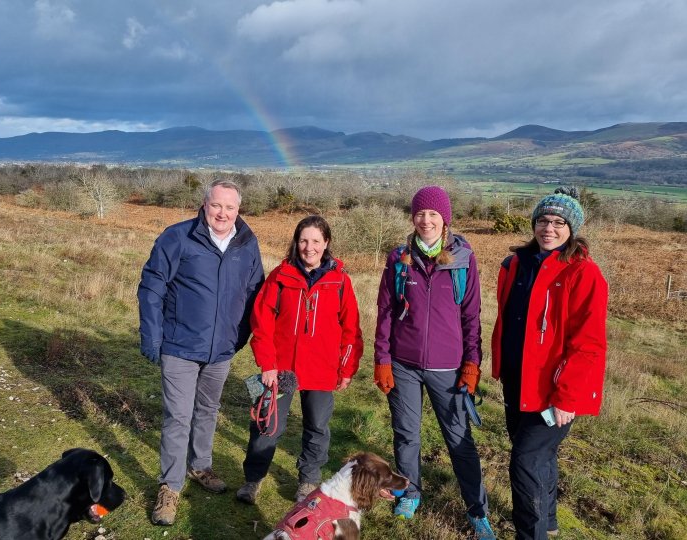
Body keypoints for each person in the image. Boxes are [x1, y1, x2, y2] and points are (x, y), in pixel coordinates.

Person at [137, 178, 265, 526]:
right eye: (216, 205)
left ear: (239, 209)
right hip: (179, 346)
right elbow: (151, 288)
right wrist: (152, 337)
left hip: (221, 350)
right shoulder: (177, 237)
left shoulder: (246, 243)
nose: (222, 213)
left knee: (208, 410)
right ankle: (170, 487)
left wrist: (239, 339)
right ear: (205, 204)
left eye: (230, 207)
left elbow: (255, 294)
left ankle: (200, 467)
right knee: (178, 417)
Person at [373, 185, 496, 539]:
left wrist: (472, 365)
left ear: (445, 219)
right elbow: (385, 312)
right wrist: (382, 358)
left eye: (433, 215)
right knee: (406, 436)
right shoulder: (399, 258)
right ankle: (410, 494)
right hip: (403, 365)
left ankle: (477, 509)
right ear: (412, 217)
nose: (426, 220)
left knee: (460, 440)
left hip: (449, 368)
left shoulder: (463, 259)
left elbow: (472, 317)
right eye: (420, 214)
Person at [491, 187, 607, 540]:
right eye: (543, 220)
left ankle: (531, 533)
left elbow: (589, 344)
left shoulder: (582, 273)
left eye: (558, 222)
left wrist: (567, 396)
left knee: (525, 461)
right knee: (540, 456)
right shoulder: (515, 265)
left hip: (554, 389)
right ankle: (550, 522)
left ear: (572, 228)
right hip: (517, 380)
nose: (549, 228)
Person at [236, 216, 364, 505]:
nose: (309, 247)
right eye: (304, 240)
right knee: (268, 425)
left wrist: (346, 369)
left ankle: (308, 482)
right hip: (281, 369)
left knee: (317, 426)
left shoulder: (340, 281)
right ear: (296, 242)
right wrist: (267, 363)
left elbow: (351, 330)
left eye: (316, 241)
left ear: (326, 243)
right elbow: (261, 322)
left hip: (322, 369)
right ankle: (253, 480)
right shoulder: (280, 277)